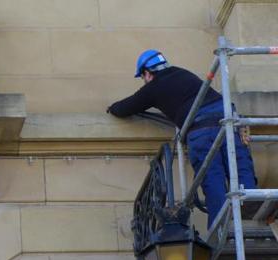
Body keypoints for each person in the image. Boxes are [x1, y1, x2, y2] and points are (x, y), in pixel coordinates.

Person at [107, 49, 258, 227]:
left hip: (201, 129)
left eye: (143, 76)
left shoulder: (154, 87)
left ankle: (220, 232)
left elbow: (126, 107)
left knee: (213, 179)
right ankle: (252, 205)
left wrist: (112, 108)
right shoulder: (182, 73)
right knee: (241, 166)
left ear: (147, 73)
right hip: (228, 119)